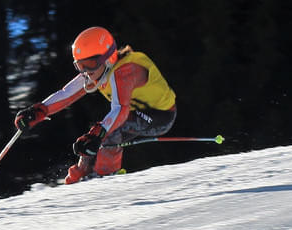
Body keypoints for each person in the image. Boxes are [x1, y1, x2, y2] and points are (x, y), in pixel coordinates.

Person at [14, 26, 177, 184]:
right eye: (79, 65)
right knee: (95, 137)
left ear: (108, 58)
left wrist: (98, 134)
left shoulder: (125, 72)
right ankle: (80, 177)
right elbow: (66, 94)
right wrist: (39, 110)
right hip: (133, 112)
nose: (85, 71)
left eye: (90, 64)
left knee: (108, 132)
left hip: (160, 115)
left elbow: (120, 110)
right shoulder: (98, 71)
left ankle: (106, 180)